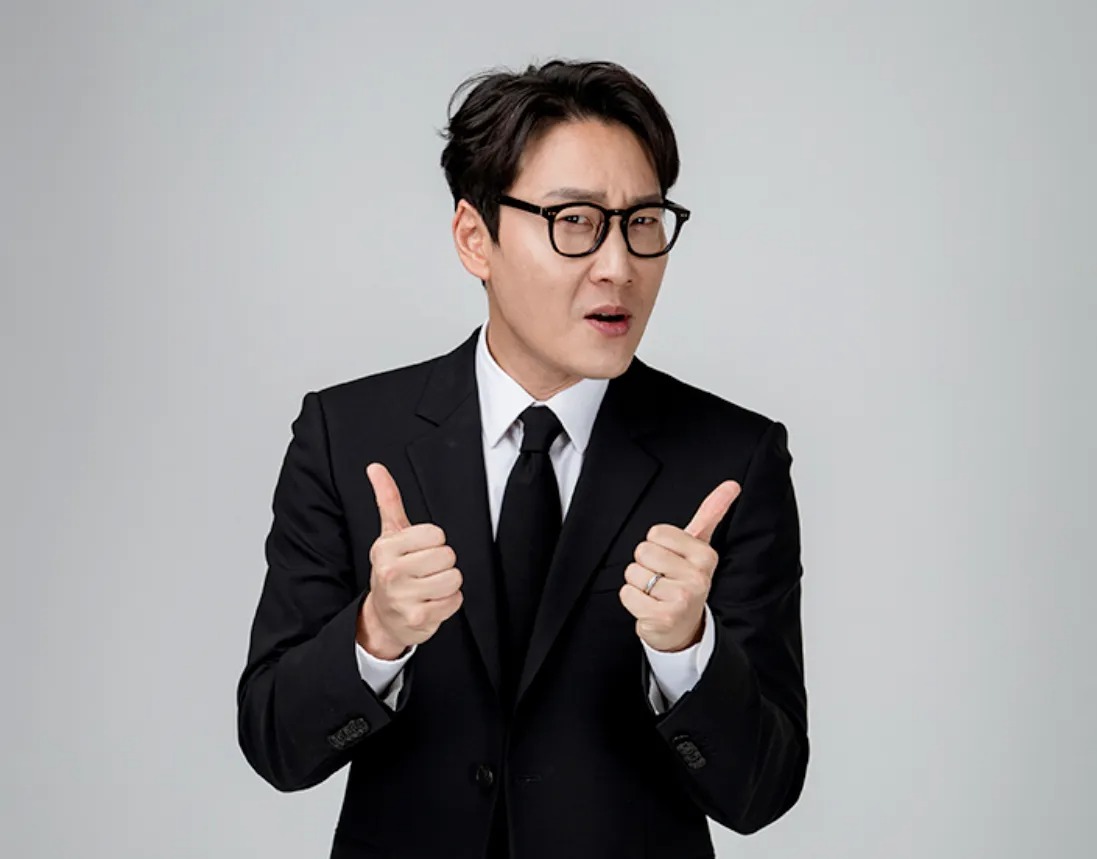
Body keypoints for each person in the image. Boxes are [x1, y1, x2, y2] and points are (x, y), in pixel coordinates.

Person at [236, 58, 808, 859]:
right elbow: (275, 743)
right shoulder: (348, 435)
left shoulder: (731, 458)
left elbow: (762, 791)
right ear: (476, 239)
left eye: (643, 221)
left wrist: (686, 651)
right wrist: (375, 632)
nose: (618, 265)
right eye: (574, 220)